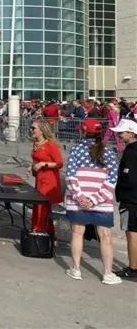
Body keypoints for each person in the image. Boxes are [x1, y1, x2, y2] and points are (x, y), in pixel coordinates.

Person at [64, 118, 121, 285]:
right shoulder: (108, 152)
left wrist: (80, 197)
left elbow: (71, 176)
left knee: (77, 233)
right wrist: (96, 198)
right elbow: (112, 179)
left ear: (83, 131)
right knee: (105, 235)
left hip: (78, 200)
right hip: (102, 201)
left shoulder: (76, 150)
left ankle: (76, 269)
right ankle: (108, 273)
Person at [111, 119, 137, 279]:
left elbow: (129, 177)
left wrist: (120, 189)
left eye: (122, 132)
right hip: (133, 198)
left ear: (131, 132)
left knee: (132, 233)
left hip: (131, 199)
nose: (119, 135)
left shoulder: (131, 151)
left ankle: (133, 268)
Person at [28, 120, 64, 235]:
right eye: (31, 128)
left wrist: (44, 164)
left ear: (42, 130)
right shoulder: (35, 143)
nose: (31, 130)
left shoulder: (50, 144)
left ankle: (39, 230)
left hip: (49, 180)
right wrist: (31, 166)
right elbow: (37, 159)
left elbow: (59, 163)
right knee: (41, 206)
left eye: (34, 128)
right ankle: (50, 234)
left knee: (41, 206)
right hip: (39, 178)